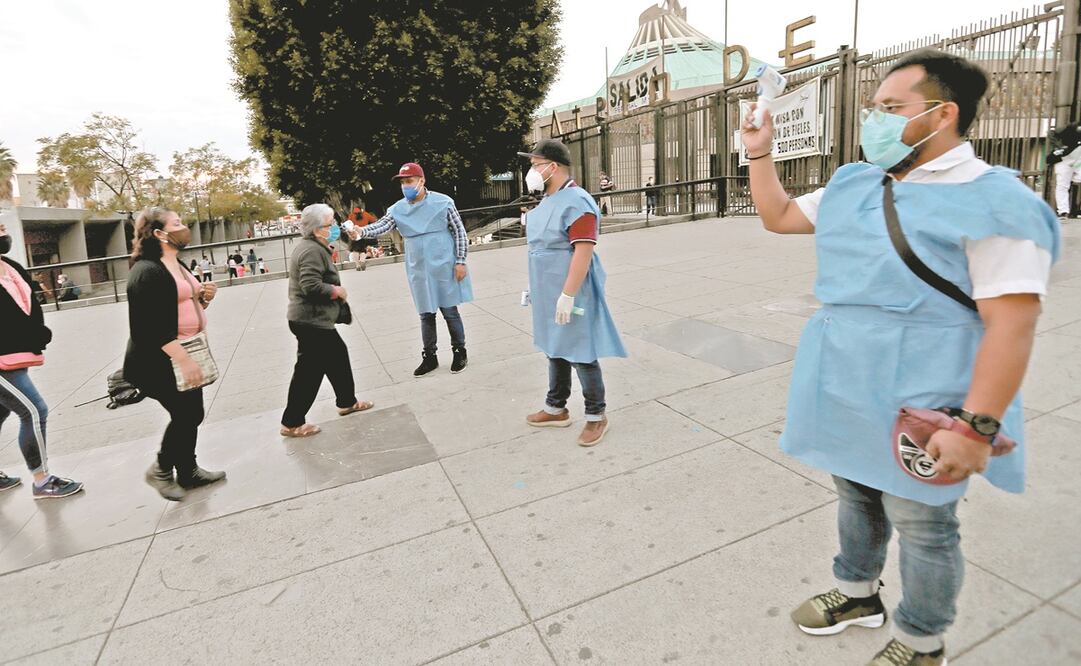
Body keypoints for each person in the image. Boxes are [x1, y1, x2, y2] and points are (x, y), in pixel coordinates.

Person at [741, 49, 1059, 665]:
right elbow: (778, 217)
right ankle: (857, 592)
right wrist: (759, 150)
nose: (875, 121)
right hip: (847, 385)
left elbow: (1012, 327)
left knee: (923, 525)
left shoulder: (999, 203)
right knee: (855, 494)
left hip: (928, 399)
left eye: (891, 109)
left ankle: (921, 638)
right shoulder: (855, 182)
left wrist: (977, 425)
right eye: (873, 109)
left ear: (944, 114)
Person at [518, 139, 627, 447]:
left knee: (581, 351)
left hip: (572, 289)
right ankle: (556, 407)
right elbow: (540, 251)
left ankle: (596, 415)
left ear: (554, 167)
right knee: (555, 348)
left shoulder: (577, 201)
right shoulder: (545, 203)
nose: (532, 170)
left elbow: (583, 250)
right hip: (547, 289)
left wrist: (568, 294)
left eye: (536, 164)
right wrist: (535, 288)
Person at [124, 207, 226, 501]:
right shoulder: (147, 271)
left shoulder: (175, 263)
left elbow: (179, 306)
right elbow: (147, 329)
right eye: (177, 223)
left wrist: (203, 299)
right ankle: (161, 469)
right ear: (159, 234)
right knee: (186, 413)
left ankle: (188, 470)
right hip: (158, 360)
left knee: (192, 412)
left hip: (185, 349)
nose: (184, 227)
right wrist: (183, 358)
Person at [353, 163, 472, 376]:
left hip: (444, 263)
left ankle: (459, 351)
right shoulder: (397, 209)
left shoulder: (444, 202)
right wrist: (360, 231)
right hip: (418, 267)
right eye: (402, 183)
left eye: (409, 181)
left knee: (449, 310)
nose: (405, 186)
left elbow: (459, 232)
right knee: (425, 312)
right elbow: (382, 225)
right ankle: (430, 356)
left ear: (421, 181)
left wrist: (461, 260)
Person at [0, 224, 84, 499]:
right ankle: (42, 480)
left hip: (15, 354)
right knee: (34, 410)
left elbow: (24, 309)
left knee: (1, 411)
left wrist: (36, 334)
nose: (2, 225)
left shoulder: (10, 266)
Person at [280, 203, 374, 437]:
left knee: (337, 356)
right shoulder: (311, 250)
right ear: (316, 229)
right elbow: (310, 285)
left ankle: (346, 402)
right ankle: (291, 422)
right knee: (308, 372)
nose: (334, 226)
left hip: (313, 320)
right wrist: (336, 291)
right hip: (310, 321)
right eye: (330, 223)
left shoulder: (315, 246)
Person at [1048, 121, 1081, 220]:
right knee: (1062, 185)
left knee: (1064, 185)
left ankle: (1068, 210)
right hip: (1064, 159)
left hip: (1077, 158)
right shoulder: (1072, 127)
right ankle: (1063, 212)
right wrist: (1060, 146)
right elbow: (1051, 133)